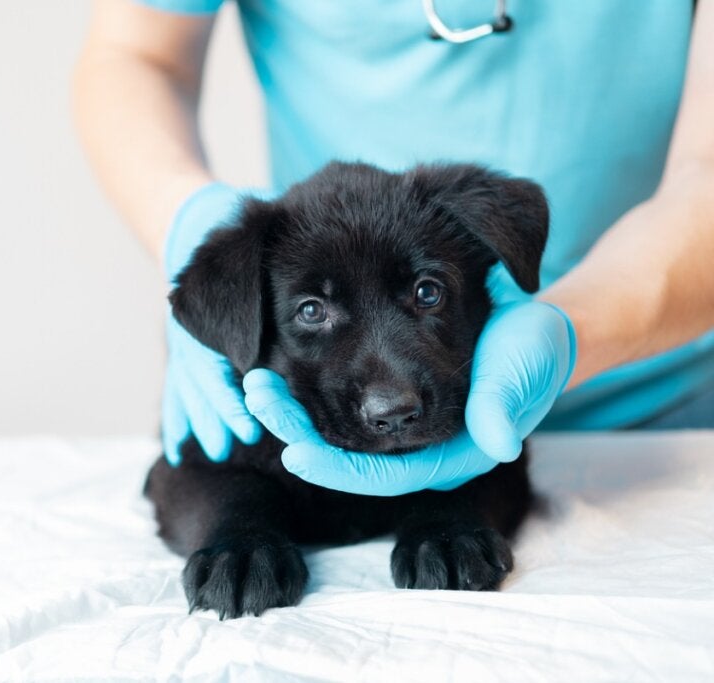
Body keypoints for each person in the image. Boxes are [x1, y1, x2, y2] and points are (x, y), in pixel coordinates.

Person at [72, 0, 714, 495]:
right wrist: (185, 216)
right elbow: (137, 53)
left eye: (425, 293)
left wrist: (576, 327)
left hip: (669, 418)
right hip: (319, 416)